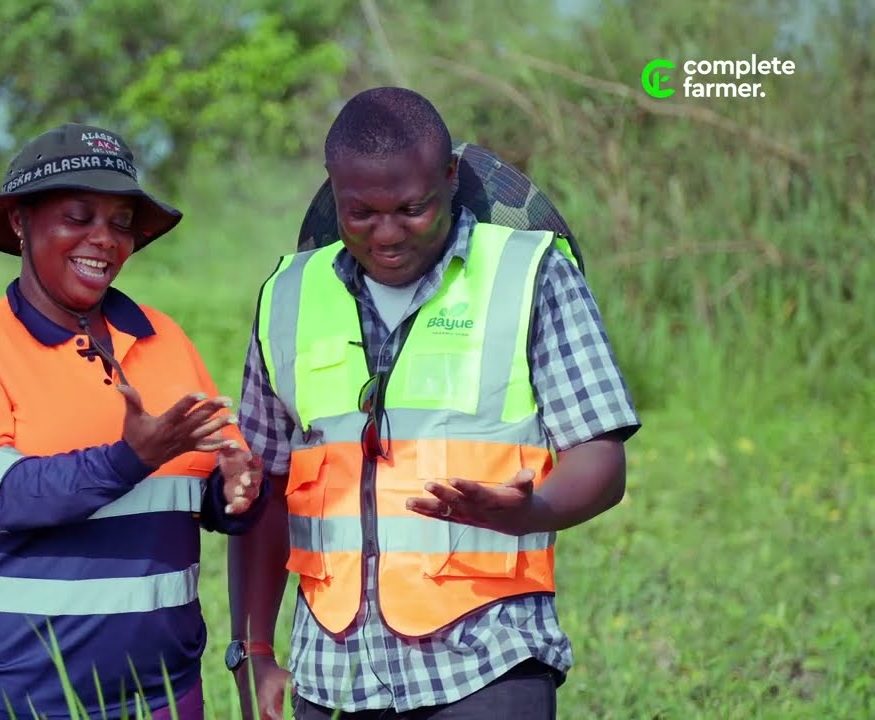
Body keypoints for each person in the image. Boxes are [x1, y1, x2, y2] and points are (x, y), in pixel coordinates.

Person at [225, 87, 641, 719]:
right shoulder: (287, 295)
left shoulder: (530, 274)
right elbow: (264, 487)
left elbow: (601, 457)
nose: (388, 234)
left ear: (449, 177)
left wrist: (534, 511)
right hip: (332, 677)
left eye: (411, 209)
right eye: (361, 213)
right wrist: (253, 650)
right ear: (334, 191)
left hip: (489, 663)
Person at [0, 122, 267, 720]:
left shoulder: (163, 338)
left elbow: (207, 484)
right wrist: (131, 458)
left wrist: (235, 492)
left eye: (121, 223)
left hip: (162, 688)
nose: (104, 239)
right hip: (16, 694)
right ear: (21, 222)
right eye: (78, 217)